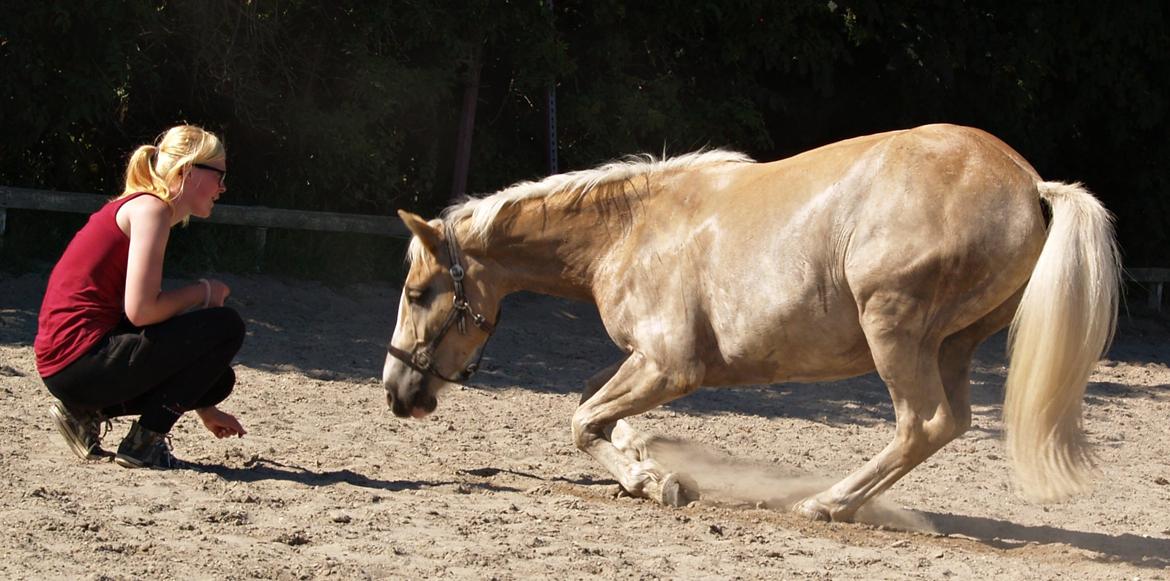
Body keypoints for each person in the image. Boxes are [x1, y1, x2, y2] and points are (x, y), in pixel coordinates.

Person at [34, 124, 248, 469]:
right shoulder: (152, 209)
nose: (223, 187)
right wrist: (202, 291)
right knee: (227, 325)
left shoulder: (142, 208)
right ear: (188, 172)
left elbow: (139, 317)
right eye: (219, 175)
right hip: (79, 359)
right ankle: (145, 442)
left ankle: (84, 411)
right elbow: (142, 311)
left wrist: (205, 406)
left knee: (217, 381)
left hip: (68, 364)